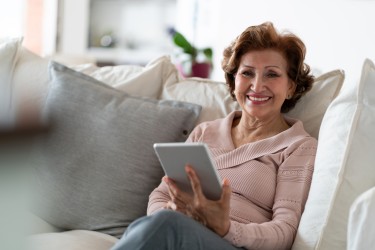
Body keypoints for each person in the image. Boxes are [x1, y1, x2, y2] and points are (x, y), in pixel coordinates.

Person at [112, 22, 317, 250]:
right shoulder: (205, 132)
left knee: (163, 227)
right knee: (145, 227)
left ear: (291, 87)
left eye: (272, 74)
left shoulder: (298, 146)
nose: (257, 85)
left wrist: (226, 228)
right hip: (183, 233)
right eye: (247, 73)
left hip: (237, 245)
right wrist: (174, 211)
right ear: (233, 80)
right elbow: (161, 194)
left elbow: (285, 231)